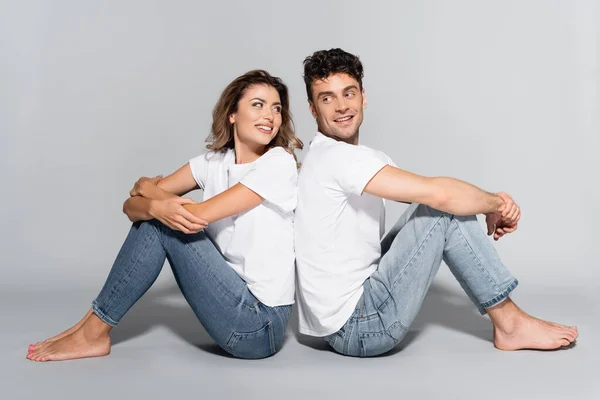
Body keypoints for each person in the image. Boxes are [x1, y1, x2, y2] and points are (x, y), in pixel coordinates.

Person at [294, 48, 578, 357]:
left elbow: (434, 193)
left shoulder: (339, 157)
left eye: (348, 94)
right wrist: (496, 203)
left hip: (346, 317)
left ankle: (510, 321)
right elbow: (441, 196)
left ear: (363, 96)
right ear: (312, 109)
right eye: (326, 98)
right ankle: (510, 323)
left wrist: (488, 202)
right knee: (441, 208)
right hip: (361, 327)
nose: (340, 106)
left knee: (439, 205)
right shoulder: (337, 158)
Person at [27, 70, 303, 361]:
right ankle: (89, 327)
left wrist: (149, 190)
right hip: (230, 300)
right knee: (158, 220)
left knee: (164, 225)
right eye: (258, 105)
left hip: (259, 325)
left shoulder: (278, 164)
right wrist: (155, 206)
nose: (270, 116)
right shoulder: (213, 162)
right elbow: (130, 207)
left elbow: (194, 216)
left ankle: (92, 332)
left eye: (277, 108)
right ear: (232, 113)